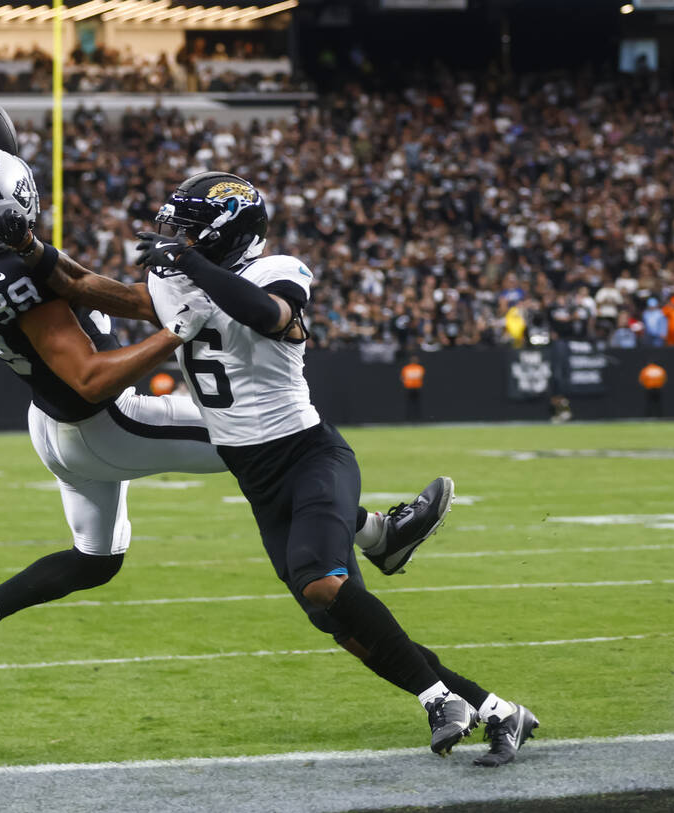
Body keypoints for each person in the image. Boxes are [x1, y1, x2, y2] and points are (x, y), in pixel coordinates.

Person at [0, 85, 449, 715]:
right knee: (268, 446)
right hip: (108, 420)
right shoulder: (18, 281)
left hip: (51, 428)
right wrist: (173, 334)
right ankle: (381, 536)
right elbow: (87, 377)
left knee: (96, 559)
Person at [128, 171, 537, 765]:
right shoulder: (175, 277)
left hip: (309, 455)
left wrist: (190, 263)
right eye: (175, 232)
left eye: (188, 233)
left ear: (227, 235)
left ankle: (435, 696)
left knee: (321, 580)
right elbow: (128, 298)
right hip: (258, 481)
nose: (174, 240)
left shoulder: (275, 271)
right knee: (340, 624)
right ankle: (499, 710)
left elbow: (265, 314)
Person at [400, 355, 424, 422]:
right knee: (411, 404)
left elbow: (402, 378)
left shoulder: (416, 368)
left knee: (415, 404)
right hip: (410, 387)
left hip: (414, 387)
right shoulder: (410, 368)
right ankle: (410, 418)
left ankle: (415, 418)